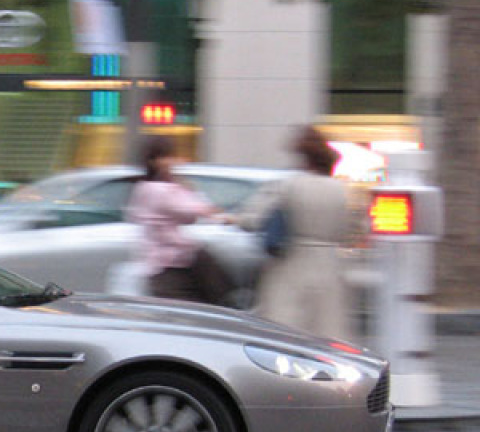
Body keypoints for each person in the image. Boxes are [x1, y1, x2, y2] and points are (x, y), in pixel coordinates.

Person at [240, 125, 358, 340]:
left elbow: (251, 219)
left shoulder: (288, 184)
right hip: (329, 267)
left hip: (290, 265)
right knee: (327, 332)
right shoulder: (340, 190)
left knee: (285, 333)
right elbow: (349, 230)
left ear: (303, 157)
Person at [125, 135, 233, 304]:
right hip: (167, 264)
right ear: (153, 161)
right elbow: (188, 209)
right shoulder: (157, 190)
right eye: (166, 157)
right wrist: (211, 212)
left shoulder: (146, 188)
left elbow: (187, 217)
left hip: (173, 262)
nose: (171, 162)